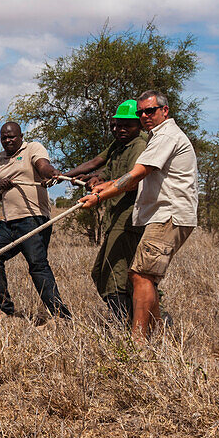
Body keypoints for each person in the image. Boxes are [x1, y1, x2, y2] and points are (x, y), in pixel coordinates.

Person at [79, 90, 197, 341]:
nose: (145, 116)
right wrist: (105, 185)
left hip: (170, 214)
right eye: (141, 112)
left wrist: (100, 195)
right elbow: (134, 178)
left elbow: (137, 174)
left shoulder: (166, 136)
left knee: (140, 275)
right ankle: (156, 331)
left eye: (150, 111)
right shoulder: (156, 138)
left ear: (165, 111)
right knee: (143, 275)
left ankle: (138, 341)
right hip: (161, 215)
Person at [62, 100, 149, 323]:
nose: (118, 130)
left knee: (116, 276)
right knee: (102, 272)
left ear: (139, 124)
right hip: (115, 218)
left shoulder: (139, 146)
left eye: (125, 125)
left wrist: (100, 190)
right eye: (116, 125)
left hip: (129, 219)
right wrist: (93, 178)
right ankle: (136, 321)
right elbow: (103, 167)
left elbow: (131, 180)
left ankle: (129, 326)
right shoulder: (119, 145)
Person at [0, 121, 72, 321]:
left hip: (33, 219)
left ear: (21, 136)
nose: (8, 140)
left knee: (37, 266)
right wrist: (0, 185)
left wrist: (51, 174)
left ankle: (61, 316)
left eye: (12, 136)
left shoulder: (32, 147)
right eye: (4, 138)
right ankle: (5, 311)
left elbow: (43, 166)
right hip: (9, 223)